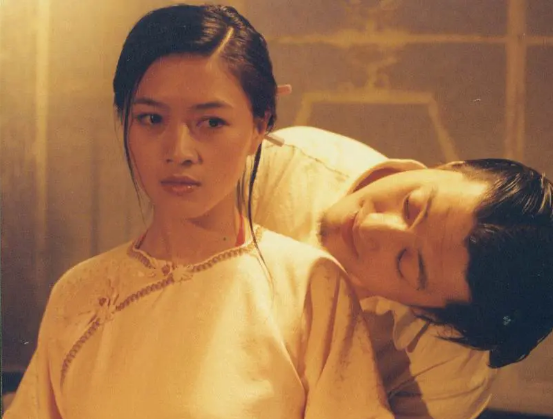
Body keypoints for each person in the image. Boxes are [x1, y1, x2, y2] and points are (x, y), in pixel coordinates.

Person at [4, 6, 394, 419]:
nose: (179, 151)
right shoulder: (79, 293)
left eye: (210, 122)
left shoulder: (308, 287)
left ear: (259, 127)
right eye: (151, 118)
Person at [253, 126, 553, 419]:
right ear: (448, 168)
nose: (371, 226)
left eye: (405, 262)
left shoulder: (448, 373)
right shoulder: (283, 164)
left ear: (428, 312)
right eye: (411, 205)